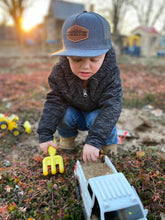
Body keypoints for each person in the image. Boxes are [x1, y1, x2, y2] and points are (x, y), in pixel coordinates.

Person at [37, 11, 123, 162]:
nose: (85, 67)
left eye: (94, 59)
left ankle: (109, 146)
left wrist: (95, 141)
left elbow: (112, 107)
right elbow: (54, 102)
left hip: (96, 116)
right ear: (66, 56)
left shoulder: (111, 73)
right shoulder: (60, 72)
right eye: (76, 59)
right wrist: (45, 134)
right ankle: (67, 140)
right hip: (75, 114)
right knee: (63, 113)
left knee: (100, 117)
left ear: (105, 54)